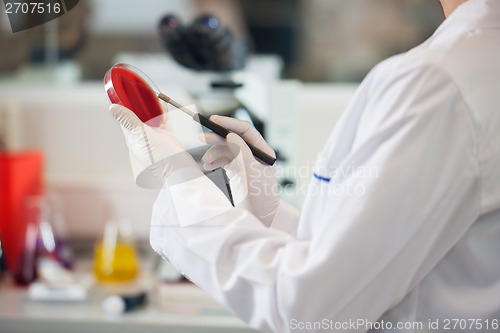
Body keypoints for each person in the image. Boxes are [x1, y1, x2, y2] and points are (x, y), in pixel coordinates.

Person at [109, 0, 500, 331]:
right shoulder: (479, 62)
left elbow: (309, 307)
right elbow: (388, 249)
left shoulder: (437, 82)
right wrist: (270, 213)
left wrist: (180, 181)